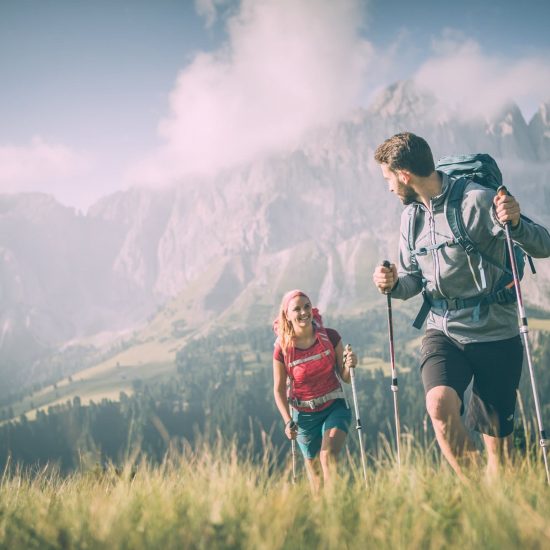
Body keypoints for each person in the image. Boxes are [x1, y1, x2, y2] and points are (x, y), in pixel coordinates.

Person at [371, 132, 550, 480]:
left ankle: (499, 505)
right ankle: (476, 496)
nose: (389, 188)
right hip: (443, 329)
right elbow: (412, 282)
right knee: (438, 404)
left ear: (404, 174)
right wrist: (393, 286)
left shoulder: (479, 201)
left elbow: (544, 245)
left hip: (495, 330)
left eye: (388, 179)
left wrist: (514, 221)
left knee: (499, 450)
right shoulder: (411, 219)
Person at [273, 289, 357, 491]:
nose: (303, 312)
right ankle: (325, 515)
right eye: (297, 309)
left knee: (327, 456)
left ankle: (335, 507)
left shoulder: (330, 336)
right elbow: (278, 390)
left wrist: (350, 365)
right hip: (303, 416)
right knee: (316, 481)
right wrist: (287, 421)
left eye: (307, 307)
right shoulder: (282, 349)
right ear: (287, 315)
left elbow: (345, 377)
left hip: (335, 406)